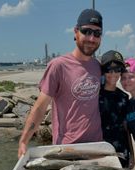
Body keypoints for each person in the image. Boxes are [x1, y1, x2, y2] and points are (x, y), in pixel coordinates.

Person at [18, 9, 103, 158]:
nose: (91, 38)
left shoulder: (98, 66)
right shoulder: (58, 65)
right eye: (87, 31)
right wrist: (24, 141)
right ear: (76, 32)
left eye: (97, 33)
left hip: (96, 148)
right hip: (65, 149)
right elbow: (40, 107)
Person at [99, 50, 134, 170]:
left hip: (121, 151)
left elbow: (126, 128)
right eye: (109, 69)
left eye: (117, 69)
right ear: (103, 71)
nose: (113, 73)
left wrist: (132, 155)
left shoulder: (124, 97)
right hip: (99, 151)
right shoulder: (94, 96)